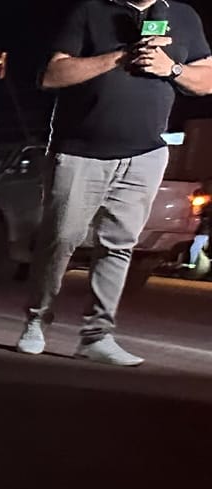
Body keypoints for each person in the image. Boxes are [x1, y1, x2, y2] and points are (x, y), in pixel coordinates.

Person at [19, 0, 212, 365]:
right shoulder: (89, 11)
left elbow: (206, 82)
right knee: (60, 240)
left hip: (145, 154)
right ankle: (36, 321)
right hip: (79, 151)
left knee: (119, 246)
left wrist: (169, 67)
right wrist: (121, 56)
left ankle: (96, 336)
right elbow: (52, 74)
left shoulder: (183, 16)